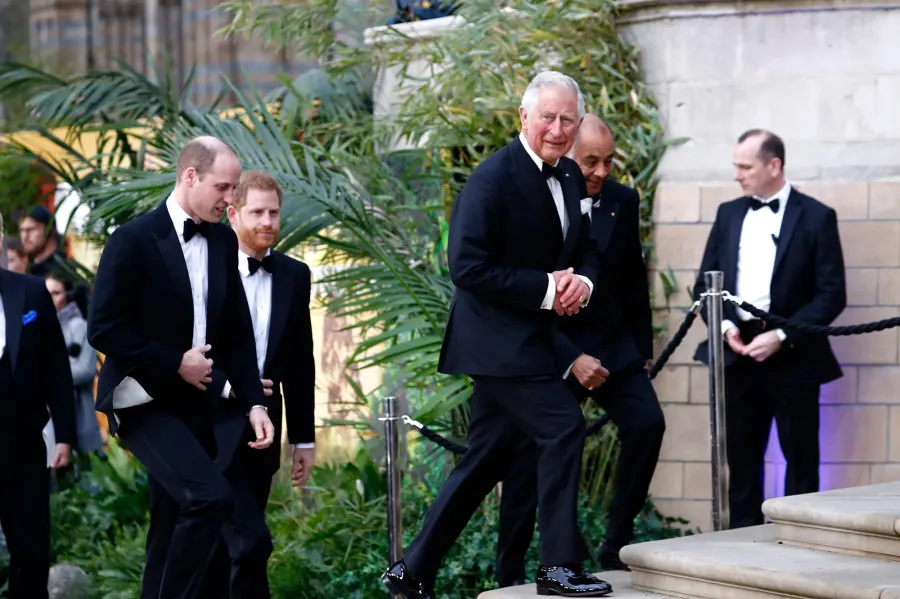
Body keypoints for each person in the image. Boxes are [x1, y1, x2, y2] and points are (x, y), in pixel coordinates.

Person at [381, 71, 612, 599]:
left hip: (531, 340)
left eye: (567, 119)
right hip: (496, 343)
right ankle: (557, 569)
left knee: (485, 458)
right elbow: (466, 267)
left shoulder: (572, 177)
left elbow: (588, 250)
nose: (557, 129)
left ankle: (410, 570)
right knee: (563, 428)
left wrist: (584, 283)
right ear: (524, 118)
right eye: (547, 117)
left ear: (578, 124)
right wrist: (547, 291)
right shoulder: (491, 178)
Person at [87, 136, 276, 599]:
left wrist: (254, 402)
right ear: (190, 177)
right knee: (209, 499)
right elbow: (103, 329)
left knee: (170, 520)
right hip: (141, 399)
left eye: (233, 188)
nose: (230, 199)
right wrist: (175, 362)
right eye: (223, 187)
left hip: (196, 403)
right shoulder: (131, 240)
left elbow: (234, 332)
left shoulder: (220, 239)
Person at [494, 114, 665, 586]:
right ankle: (509, 568)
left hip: (613, 344)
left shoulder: (622, 201)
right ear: (568, 156)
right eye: (592, 161)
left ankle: (617, 539)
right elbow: (521, 292)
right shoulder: (538, 195)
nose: (602, 171)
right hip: (548, 348)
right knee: (526, 462)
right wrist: (569, 356)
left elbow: (632, 277)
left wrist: (642, 350)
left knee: (648, 423)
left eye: (610, 161)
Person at [693, 129, 847, 529]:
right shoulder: (728, 214)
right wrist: (725, 326)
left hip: (793, 356)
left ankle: (804, 544)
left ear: (774, 165)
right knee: (741, 461)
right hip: (738, 354)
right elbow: (703, 286)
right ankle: (742, 548)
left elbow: (831, 295)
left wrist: (781, 336)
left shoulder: (817, 216)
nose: (737, 175)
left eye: (745, 166)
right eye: (736, 166)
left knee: (801, 459)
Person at [201, 170, 317, 597]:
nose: (268, 221)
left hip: (264, 430)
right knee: (248, 541)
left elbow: (301, 362)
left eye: (274, 212)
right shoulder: (207, 268)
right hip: (211, 423)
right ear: (232, 213)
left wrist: (303, 438)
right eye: (257, 212)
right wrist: (233, 386)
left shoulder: (294, 274)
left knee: (233, 549)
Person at [0, 213, 75, 598]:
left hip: (23, 446)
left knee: (30, 551)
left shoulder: (29, 291)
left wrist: (64, 435)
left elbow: (56, 369)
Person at [44, 270, 105, 465]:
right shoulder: (42, 325)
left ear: (68, 295)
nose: (50, 299)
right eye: (46, 293)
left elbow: (85, 371)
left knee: (89, 478)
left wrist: (44, 373)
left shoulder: (78, 325)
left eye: (56, 293)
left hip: (81, 414)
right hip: (51, 417)